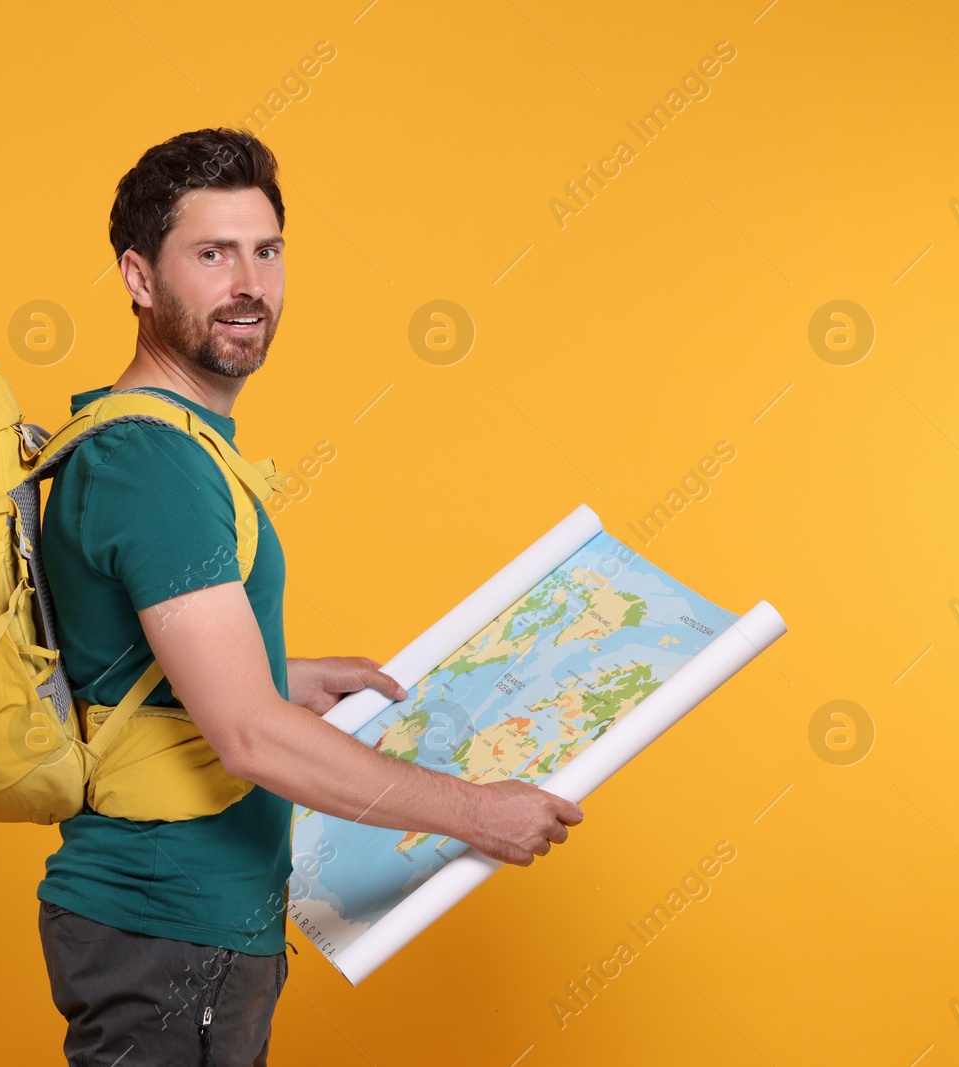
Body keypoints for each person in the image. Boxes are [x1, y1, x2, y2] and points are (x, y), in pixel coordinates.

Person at [35, 127, 584, 1066]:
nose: (249, 282)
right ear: (138, 278)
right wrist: (474, 812)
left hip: (187, 932)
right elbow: (246, 735)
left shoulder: (158, 439)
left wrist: (281, 671)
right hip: (168, 925)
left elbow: (135, 665)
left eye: (267, 251)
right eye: (211, 254)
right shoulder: (155, 463)